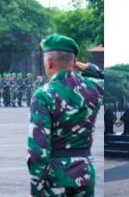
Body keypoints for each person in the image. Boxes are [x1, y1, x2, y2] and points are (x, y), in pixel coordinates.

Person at [28, 34, 103, 196]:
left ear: (49, 62)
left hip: (56, 175)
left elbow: (38, 148)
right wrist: (89, 68)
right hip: (84, 171)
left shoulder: (44, 94)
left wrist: (37, 186)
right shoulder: (95, 89)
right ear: (74, 62)